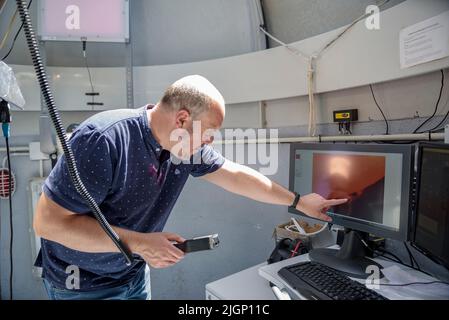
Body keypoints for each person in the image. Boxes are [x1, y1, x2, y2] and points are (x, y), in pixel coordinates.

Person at [34, 75, 347, 300]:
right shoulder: (102, 140)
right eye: (210, 133)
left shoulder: (184, 147)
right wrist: (141, 243)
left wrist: (298, 201)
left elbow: (235, 175)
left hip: (132, 276)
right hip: (81, 286)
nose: (211, 142)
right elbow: (47, 224)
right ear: (182, 119)